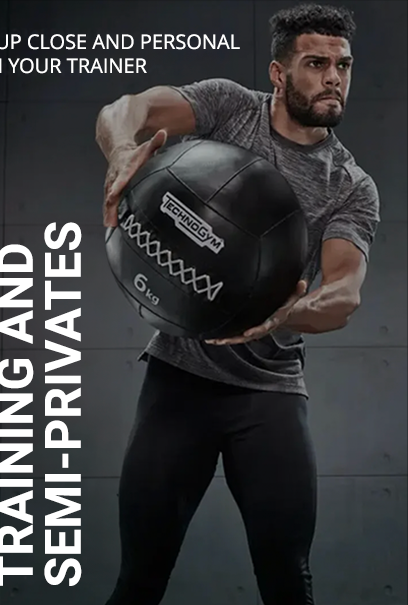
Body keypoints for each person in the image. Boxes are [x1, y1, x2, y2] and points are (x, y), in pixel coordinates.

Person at [95, 3, 380, 604]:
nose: (334, 77)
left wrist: (289, 315)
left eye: (343, 65)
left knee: (288, 584)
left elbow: (344, 291)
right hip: (178, 380)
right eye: (316, 63)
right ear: (279, 74)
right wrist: (123, 147)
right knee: (139, 580)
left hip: (269, 393)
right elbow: (126, 109)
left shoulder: (349, 184)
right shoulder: (229, 108)